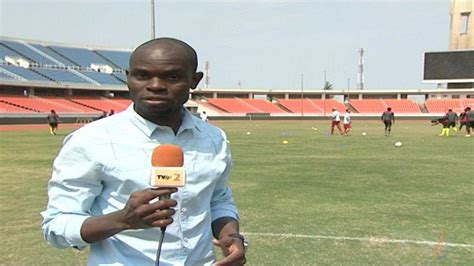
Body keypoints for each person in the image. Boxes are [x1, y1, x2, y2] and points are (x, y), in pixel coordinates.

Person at [41, 38, 247, 265]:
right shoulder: (90, 140)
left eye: (172, 77)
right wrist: (123, 220)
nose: (156, 85)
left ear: (194, 80)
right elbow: (56, 225)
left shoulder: (213, 138)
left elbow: (218, 199)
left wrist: (230, 235)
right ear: (128, 77)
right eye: (142, 75)